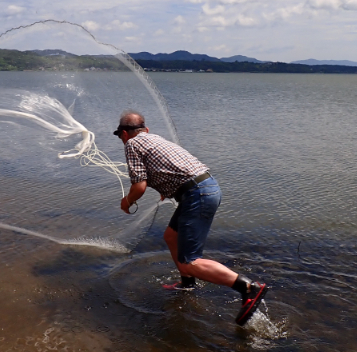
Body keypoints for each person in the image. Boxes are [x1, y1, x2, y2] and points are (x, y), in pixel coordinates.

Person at [114, 111, 267, 325]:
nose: (121, 140)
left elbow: (139, 186)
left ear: (123, 133)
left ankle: (249, 288)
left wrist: (127, 202)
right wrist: (167, 189)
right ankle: (187, 283)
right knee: (170, 236)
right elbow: (171, 168)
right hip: (205, 187)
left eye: (119, 136)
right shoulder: (154, 138)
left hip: (197, 194)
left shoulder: (131, 144)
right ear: (145, 129)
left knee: (191, 261)